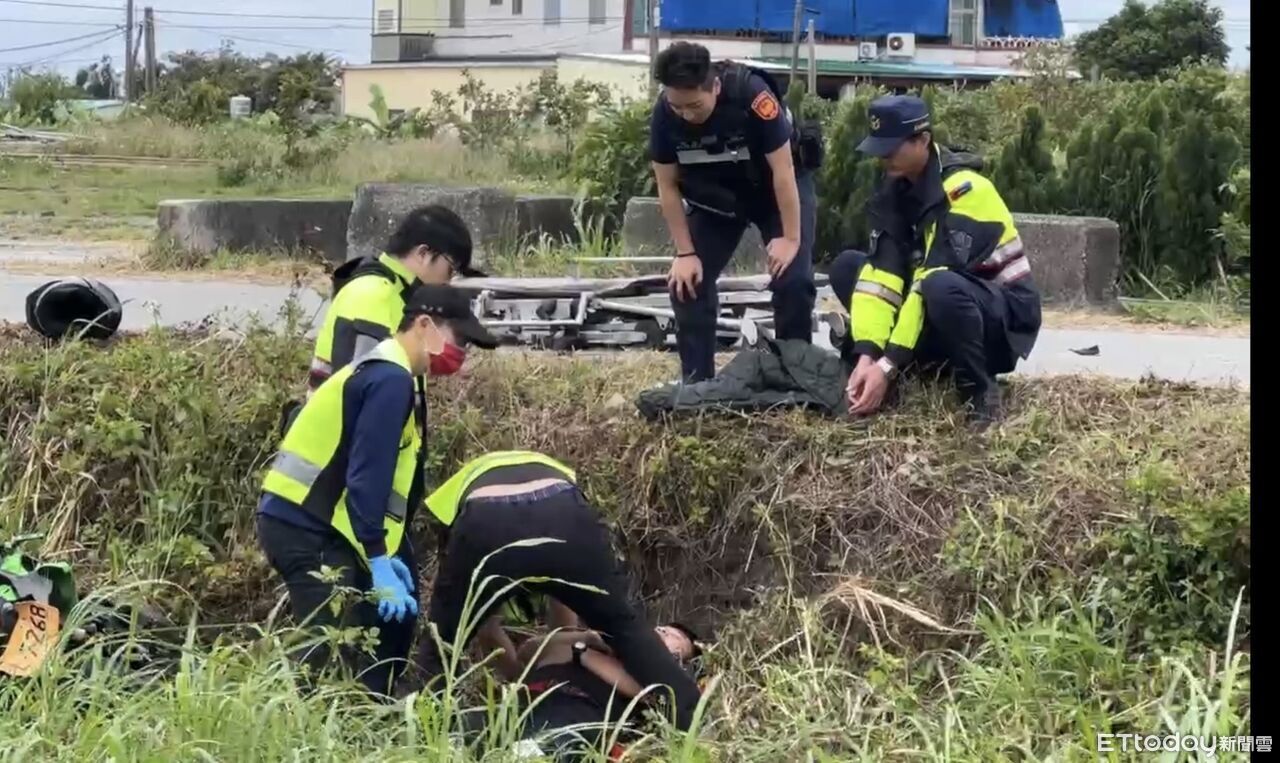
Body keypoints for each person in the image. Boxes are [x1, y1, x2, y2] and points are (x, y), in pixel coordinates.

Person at [256, 284, 499, 697]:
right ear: (424, 324)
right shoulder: (390, 380)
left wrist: (380, 554)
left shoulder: (383, 370)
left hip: (307, 522)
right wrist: (378, 559)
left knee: (347, 642)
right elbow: (367, 479)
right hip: (305, 526)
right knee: (323, 654)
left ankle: (352, 724)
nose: (461, 355)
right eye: (459, 341)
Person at [414, 451, 703, 731]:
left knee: (441, 645)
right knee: (624, 627)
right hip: (565, 514)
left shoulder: (456, 491)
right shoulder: (556, 472)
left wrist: (470, 623)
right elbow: (564, 591)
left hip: (486, 519)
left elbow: (466, 607)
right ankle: (692, 719)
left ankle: (426, 728)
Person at [828, 95, 1042, 426]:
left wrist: (888, 363)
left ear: (924, 140)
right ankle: (899, 373)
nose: (884, 158)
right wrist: (867, 353)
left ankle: (979, 391)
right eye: (880, 149)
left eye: (892, 148)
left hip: (997, 323)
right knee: (848, 267)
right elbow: (881, 277)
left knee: (939, 285)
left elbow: (928, 280)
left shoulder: (966, 191)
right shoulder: (895, 190)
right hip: (934, 307)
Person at [648, 41, 823, 383]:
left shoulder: (752, 96)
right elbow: (666, 186)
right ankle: (698, 385)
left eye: (694, 105)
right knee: (687, 283)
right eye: (678, 106)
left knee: (794, 280)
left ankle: (793, 377)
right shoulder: (665, 115)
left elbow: (784, 171)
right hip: (720, 196)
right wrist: (685, 253)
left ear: (714, 86)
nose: (686, 114)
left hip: (776, 189)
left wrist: (789, 238)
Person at [306, 204, 485, 395]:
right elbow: (359, 394)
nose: (449, 281)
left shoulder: (398, 295)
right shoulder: (371, 294)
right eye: (451, 270)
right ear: (423, 254)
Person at [507, 622, 707, 760]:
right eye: (661, 628)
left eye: (674, 636)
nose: (661, 631)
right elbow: (527, 651)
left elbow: (651, 692)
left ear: (678, 660)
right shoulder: (596, 645)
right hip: (523, 702)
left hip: (574, 714)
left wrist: (580, 653)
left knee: (536, 749)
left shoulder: (661, 678)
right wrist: (587, 638)